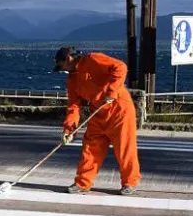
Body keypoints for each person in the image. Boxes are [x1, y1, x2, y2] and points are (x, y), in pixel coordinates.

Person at [54, 46, 141, 196]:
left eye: (61, 66)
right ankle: (83, 183)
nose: (62, 70)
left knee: (125, 148)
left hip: (119, 110)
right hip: (98, 113)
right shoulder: (72, 80)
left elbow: (120, 67)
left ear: (68, 59)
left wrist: (111, 92)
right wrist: (69, 129)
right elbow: (73, 106)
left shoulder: (92, 59)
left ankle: (130, 182)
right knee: (90, 148)